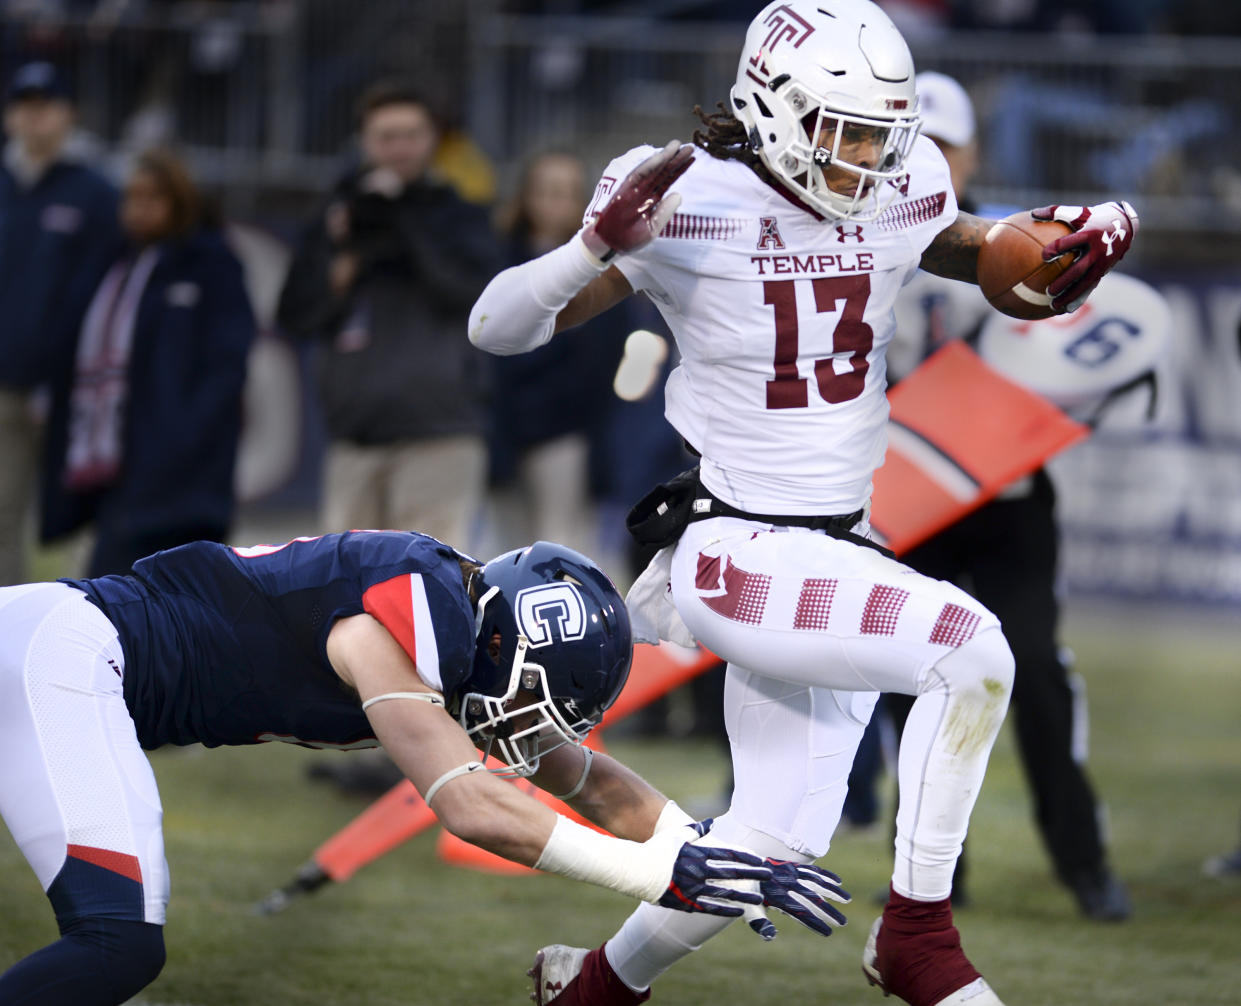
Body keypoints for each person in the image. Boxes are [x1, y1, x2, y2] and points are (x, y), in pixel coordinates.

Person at [467, 3, 1138, 1004]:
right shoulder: (683, 196)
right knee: (971, 648)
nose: (870, 156)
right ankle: (917, 930)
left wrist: (1043, 257)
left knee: (768, 836)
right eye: (848, 131)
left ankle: (595, 988)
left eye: (884, 134)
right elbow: (497, 328)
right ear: (773, 108)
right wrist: (592, 247)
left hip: (833, 545)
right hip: (731, 547)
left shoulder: (899, 183)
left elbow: (957, 248)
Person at [0, 531, 850, 1005]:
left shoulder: (463, 625)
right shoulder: (397, 620)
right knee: (114, 948)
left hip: (58, 662)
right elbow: (475, 811)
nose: (534, 733)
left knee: (108, 964)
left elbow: (590, 779)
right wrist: (663, 878)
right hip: (63, 659)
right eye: (536, 701)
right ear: (500, 645)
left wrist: (702, 850)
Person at [868, 70, 1132, 921]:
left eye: (949, 143)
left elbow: (1094, 350)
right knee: (913, 687)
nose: (937, 157)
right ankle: (928, 877)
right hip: (912, 498)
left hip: (1008, 499)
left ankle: (1083, 862)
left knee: (1039, 682)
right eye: (922, 143)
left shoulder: (1029, 240)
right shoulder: (868, 233)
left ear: (973, 149)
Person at [277, 79, 499, 549]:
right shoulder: (337, 214)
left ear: (433, 139)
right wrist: (340, 267)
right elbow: (294, 316)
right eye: (386, 136)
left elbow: (476, 301)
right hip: (354, 436)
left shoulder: (459, 213)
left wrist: (404, 218)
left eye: (411, 134)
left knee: (429, 580)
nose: (399, 148)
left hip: (439, 430)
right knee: (348, 584)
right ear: (363, 141)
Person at [37, 148, 256, 578]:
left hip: (186, 474)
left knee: (178, 602)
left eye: (153, 198)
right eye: (132, 197)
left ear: (180, 201)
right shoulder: (110, 263)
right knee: (113, 591)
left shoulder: (212, 264)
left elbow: (227, 364)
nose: (139, 209)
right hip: (117, 468)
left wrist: (184, 435)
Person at [0, 61, 120, 584]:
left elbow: (100, 293)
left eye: (45, 106)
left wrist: (64, 373)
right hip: (6, 386)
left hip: (78, 390)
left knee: (85, 516)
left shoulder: (95, 191)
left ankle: (83, 629)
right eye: (24, 106)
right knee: (2, 515)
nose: (34, 118)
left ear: (68, 114)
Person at [487, 149, 630, 559]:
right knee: (505, 546)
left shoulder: (606, 270)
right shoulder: (498, 259)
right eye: (546, 191)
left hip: (568, 424)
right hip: (502, 418)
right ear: (526, 197)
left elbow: (609, 353)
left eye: (567, 193)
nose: (555, 203)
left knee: (560, 543)